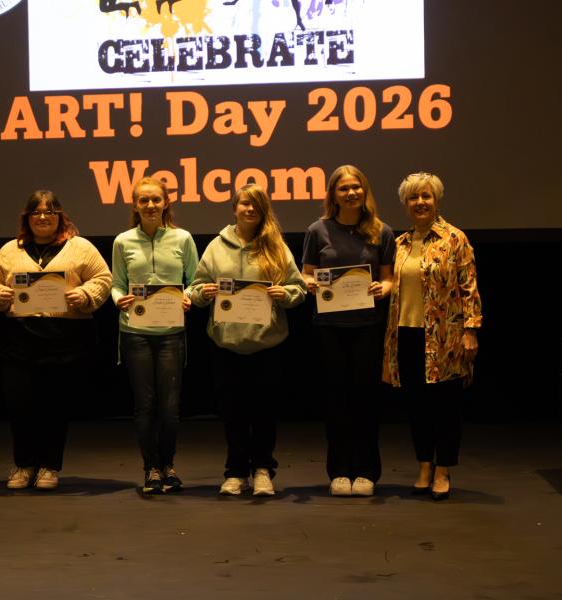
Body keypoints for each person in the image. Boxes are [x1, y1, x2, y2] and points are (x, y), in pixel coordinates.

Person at [0, 190, 112, 491]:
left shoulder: (80, 247)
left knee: (55, 406)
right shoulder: (10, 250)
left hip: (63, 340)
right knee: (20, 405)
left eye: (49, 212)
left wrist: (86, 294)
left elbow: (103, 278)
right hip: (19, 339)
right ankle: (23, 464)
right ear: (27, 218)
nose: (42, 217)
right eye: (36, 212)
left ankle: (50, 466)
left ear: (59, 217)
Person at [187, 183, 306, 496]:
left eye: (256, 205)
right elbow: (197, 289)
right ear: (234, 208)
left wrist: (285, 294)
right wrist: (204, 293)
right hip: (227, 344)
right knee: (232, 412)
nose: (249, 209)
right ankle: (236, 472)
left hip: (267, 344)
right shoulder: (216, 246)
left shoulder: (276, 246)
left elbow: (298, 289)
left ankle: (263, 469)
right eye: (244, 204)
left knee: (265, 412)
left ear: (263, 210)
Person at [383, 172, 482, 501]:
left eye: (426, 196)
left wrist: (471, 330)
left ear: (436, 200)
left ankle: (443, 470)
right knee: (417, 407)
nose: (420, 203)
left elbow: (469, 289)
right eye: (413, 198)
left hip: (446, 337)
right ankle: (424, 465)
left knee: (446, 407)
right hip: (406, 336)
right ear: (405, 204)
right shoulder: (400, 243)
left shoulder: (455, 238)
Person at [301, 165, 395, 497]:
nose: (351, 193)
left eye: (356, 187)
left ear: (364, 190)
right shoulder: (318, 230)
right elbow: (306, 274)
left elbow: (388, 278)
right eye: (343, 189)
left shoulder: (381, 231)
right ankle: (339, 470)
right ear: (333, 195)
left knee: (365, 399)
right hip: (329, 327)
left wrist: (383, 288)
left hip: (368, 326)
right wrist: (313, 284)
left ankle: (367, 471)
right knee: (336, 398)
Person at [111, 177, 199, 493]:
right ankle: (151, 469)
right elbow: (117, 284)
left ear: (166, 203)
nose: (150, 205)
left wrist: (189, 295)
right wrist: (117, 298)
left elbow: (197, 279)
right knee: (145, 405)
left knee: (170, 408)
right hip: (135, 332)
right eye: (144, 200)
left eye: (156, 200)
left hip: (171, 333)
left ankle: (169, 465)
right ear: (135, 205)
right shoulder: (122, 241)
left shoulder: (183, 238)